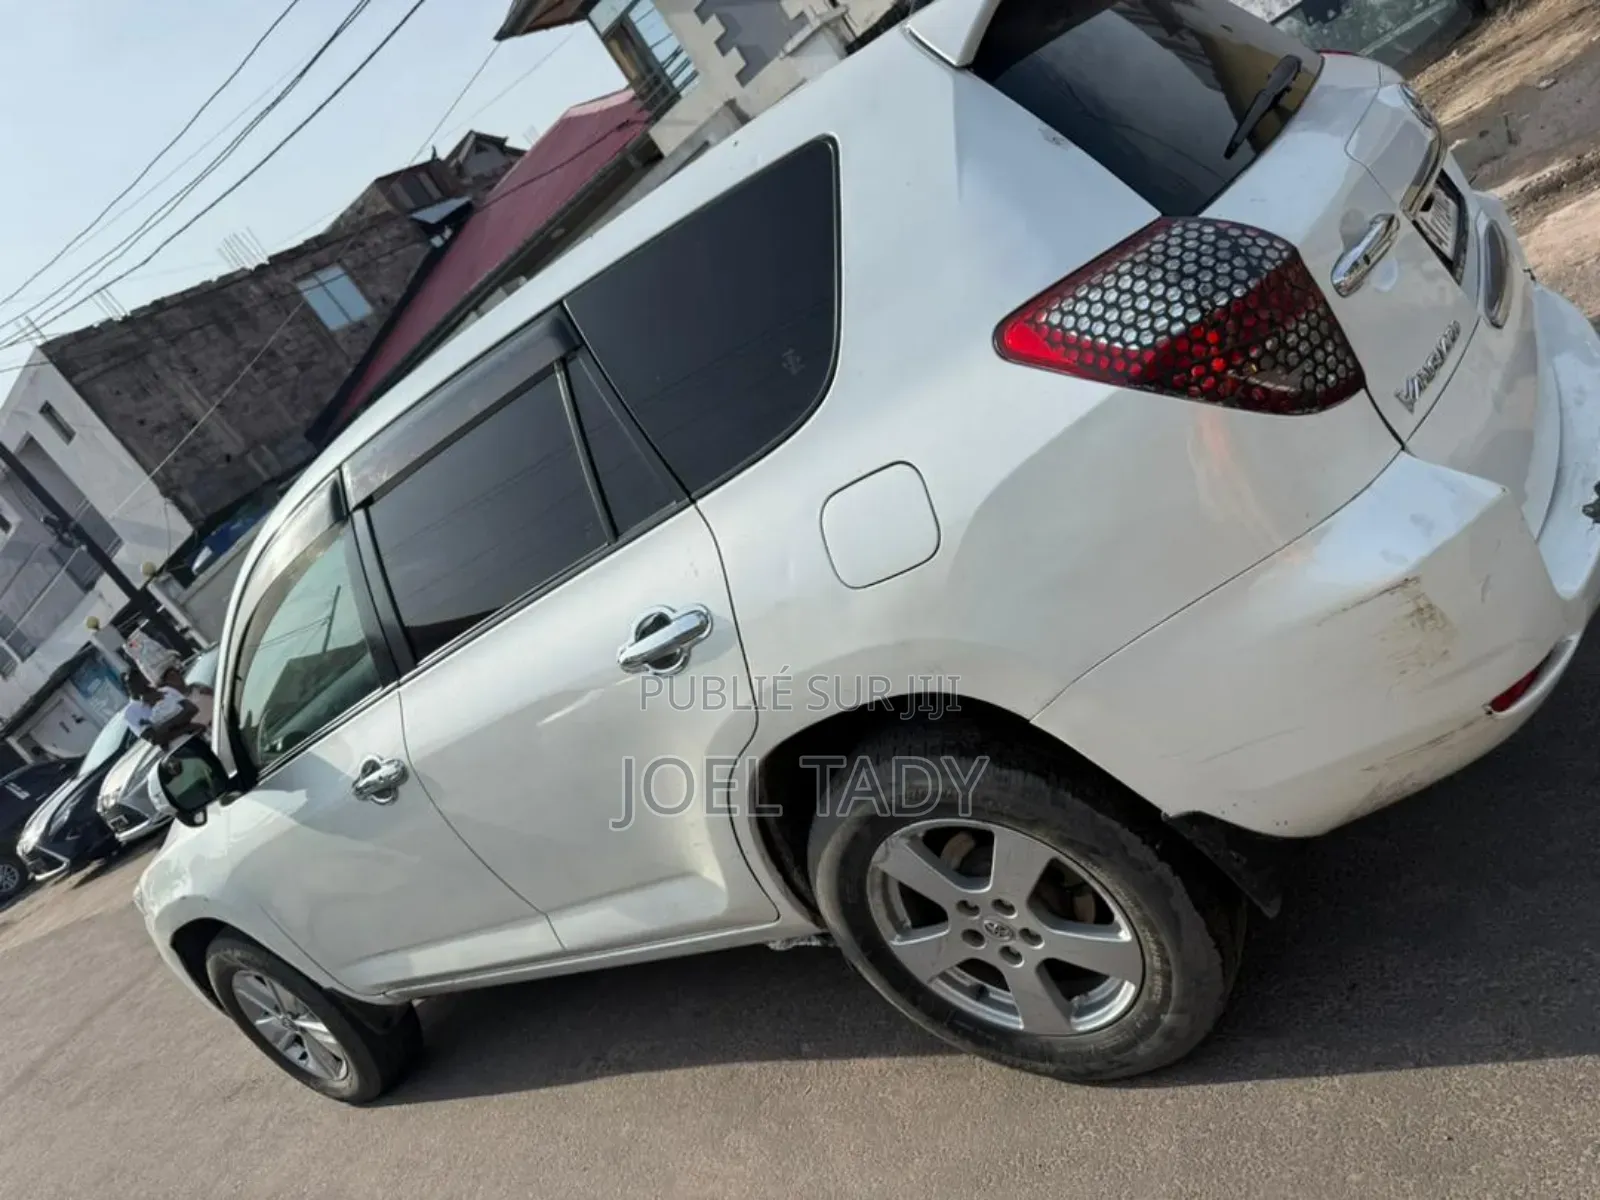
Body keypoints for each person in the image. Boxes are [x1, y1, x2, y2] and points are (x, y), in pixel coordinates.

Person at [121, 670, 199, 747]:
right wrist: (186, 728)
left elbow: (192, 709)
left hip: (197, 735)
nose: (141, 683)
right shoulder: (130, 712)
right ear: (127, 687)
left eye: (140, 679)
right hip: (179, 748)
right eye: (133, 682)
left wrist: (166, 726)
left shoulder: (166, 691)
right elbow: (154, 738)